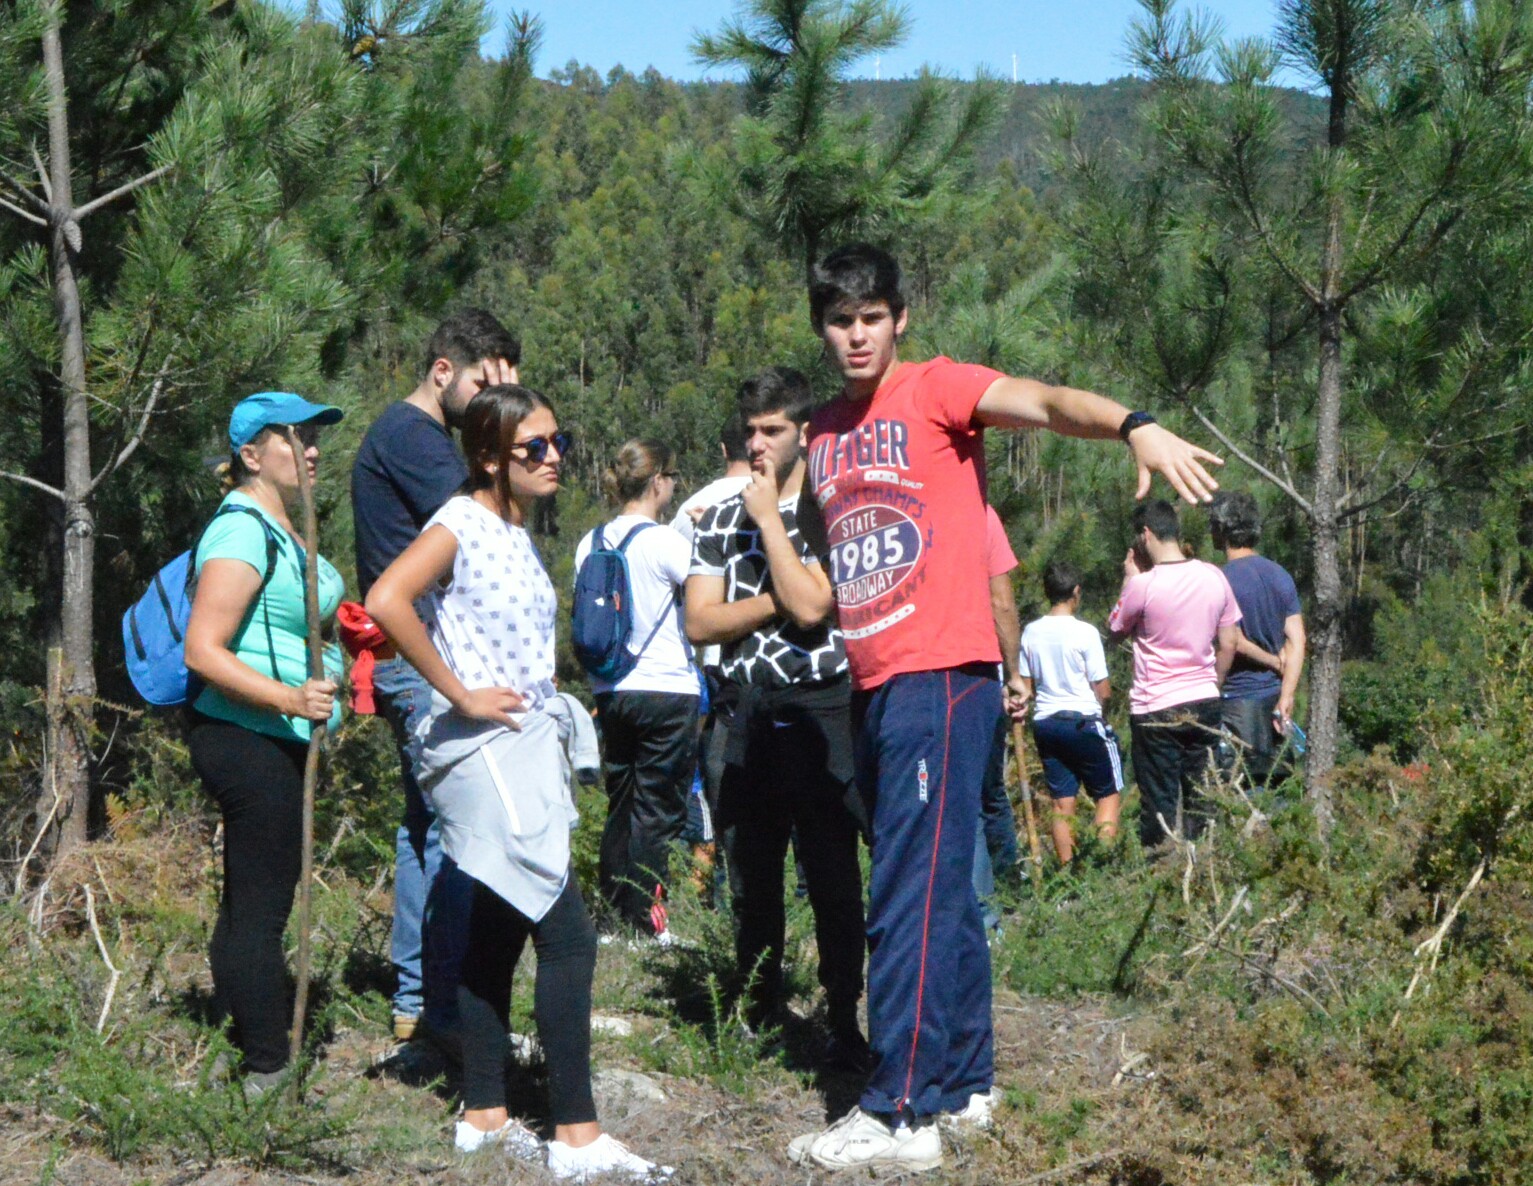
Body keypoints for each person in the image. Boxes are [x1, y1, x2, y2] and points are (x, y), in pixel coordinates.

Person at [788, 243, 1222, 1172]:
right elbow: (832, 565)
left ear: (899, 318)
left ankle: (899, 1112)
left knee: (904, 888)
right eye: (839, 320)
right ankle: (963, 1082)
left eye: (871, 317)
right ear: (821, 326)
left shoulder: (938, 388)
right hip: (872, 681)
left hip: (940, 675)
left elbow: (1048, 402)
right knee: (939, 886)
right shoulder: (820, 432)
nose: (856, 335)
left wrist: (1134, 425)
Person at [365, 386, 670, 1180]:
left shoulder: (512, 528)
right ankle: (577, 1137)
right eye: (534, 446)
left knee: (496, 930)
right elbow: (386, 599)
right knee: (567, 936)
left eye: (557, 440)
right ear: (489, 456)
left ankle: (484, 1115)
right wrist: (458, 692)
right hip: (482, 750)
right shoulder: (459, 522)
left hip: (520, 747)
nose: (553, 456)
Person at [684, 367, 870, 1068]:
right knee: (751, 873)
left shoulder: (829, 510)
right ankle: (758, 1010)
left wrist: (770, 525)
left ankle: (843, 1013)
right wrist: (776, 600)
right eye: (749, 431)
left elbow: (818, 607)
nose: (757, 444)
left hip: (825, 704)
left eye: (773, 430)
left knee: (832, 871)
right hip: (745, 707)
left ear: (804, 433)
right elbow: (699, 622)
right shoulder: (719, 517)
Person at [351, 309, 520, 1044]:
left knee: (429, 827)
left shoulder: (410, 437)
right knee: (453, 828)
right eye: (485, 385)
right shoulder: (413, 438)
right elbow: (495, 518)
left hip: (413, 661)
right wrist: (512, 419)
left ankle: (422, 1000)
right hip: (423, 665)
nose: (490, 401)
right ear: (442, 371)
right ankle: (440, 1006)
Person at [183, 391, 345, 1094]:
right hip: (245, 735)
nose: (311, 449)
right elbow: (202, 648)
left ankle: (234, 1041)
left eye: (313, 437)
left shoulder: (281, 526)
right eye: (294, 438)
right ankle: (268, 1070)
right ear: (251, 455)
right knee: (261, 911)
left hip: (270, 735)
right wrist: (289, 699)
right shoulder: (242, 529)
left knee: (249, 903)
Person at [574, 441, 699, 937]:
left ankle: (613, 918)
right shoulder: (666, 542)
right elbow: (705, 596)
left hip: (611, 688)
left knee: (621, 803)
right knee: (658, 810)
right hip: (667, 688)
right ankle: (647, 922)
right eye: (672, 477)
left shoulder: (590, 542)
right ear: (657, 482)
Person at [1106, 500, 1241, 849]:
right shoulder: (1214, 576)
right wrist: (1213, 683)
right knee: (1203, 798)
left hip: (1155, 707)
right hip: (1204, 699)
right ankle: (1205, 866)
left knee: (1159, 806)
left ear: (1145, 534)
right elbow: (1229, 642)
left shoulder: (1143, 585)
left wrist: (1129, 578)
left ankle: (1160, 868)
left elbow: (1115, 629)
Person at [669, 419, 751, 893]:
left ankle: (721, 893)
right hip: (778, 665)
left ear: (723, 448)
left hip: (711, 664)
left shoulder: (692, 508)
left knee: (719, 788)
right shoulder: (783, 497)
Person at [1020, 560, 1123, 864]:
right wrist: (1102, 713)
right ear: (1076, 592)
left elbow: (1026, 686)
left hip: (1047, 723)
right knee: (1108, 794)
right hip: (1083, 721)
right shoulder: (1085, 632)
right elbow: (1103, 689)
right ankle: (1100, 868)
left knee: (1061, 803)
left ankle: (1068, 874)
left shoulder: (1031, 632)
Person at [1208, 491, 1306, 788]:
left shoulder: (1220, 580)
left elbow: (1232, 640)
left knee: (1233, 791)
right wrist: (1287, 694)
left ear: (1221, 530)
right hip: (1274, 703)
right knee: (1276, 789)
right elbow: (1297, 640)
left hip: (1236, 703)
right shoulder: (1280, 575)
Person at [973, 506, 1022, 929]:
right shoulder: (980, 511)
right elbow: (1001, 600)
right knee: (986, 795)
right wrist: (1014, 673)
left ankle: (987, 906)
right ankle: (997, 907)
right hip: (977, 670)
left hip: (911, 674)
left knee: (964, 799)